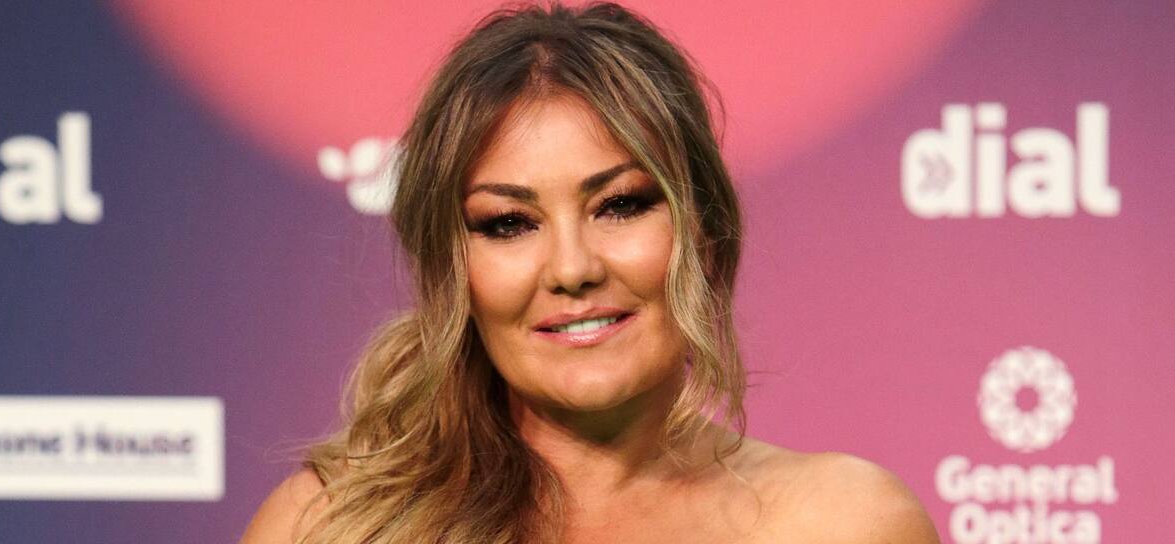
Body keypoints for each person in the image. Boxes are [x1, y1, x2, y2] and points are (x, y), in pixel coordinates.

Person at [242, 2, 940, 543]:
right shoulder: (325, 526)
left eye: (620, 205)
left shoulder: (842, 523)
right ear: (452, 268)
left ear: (701, 228)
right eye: (508, 223)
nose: (572, 268)